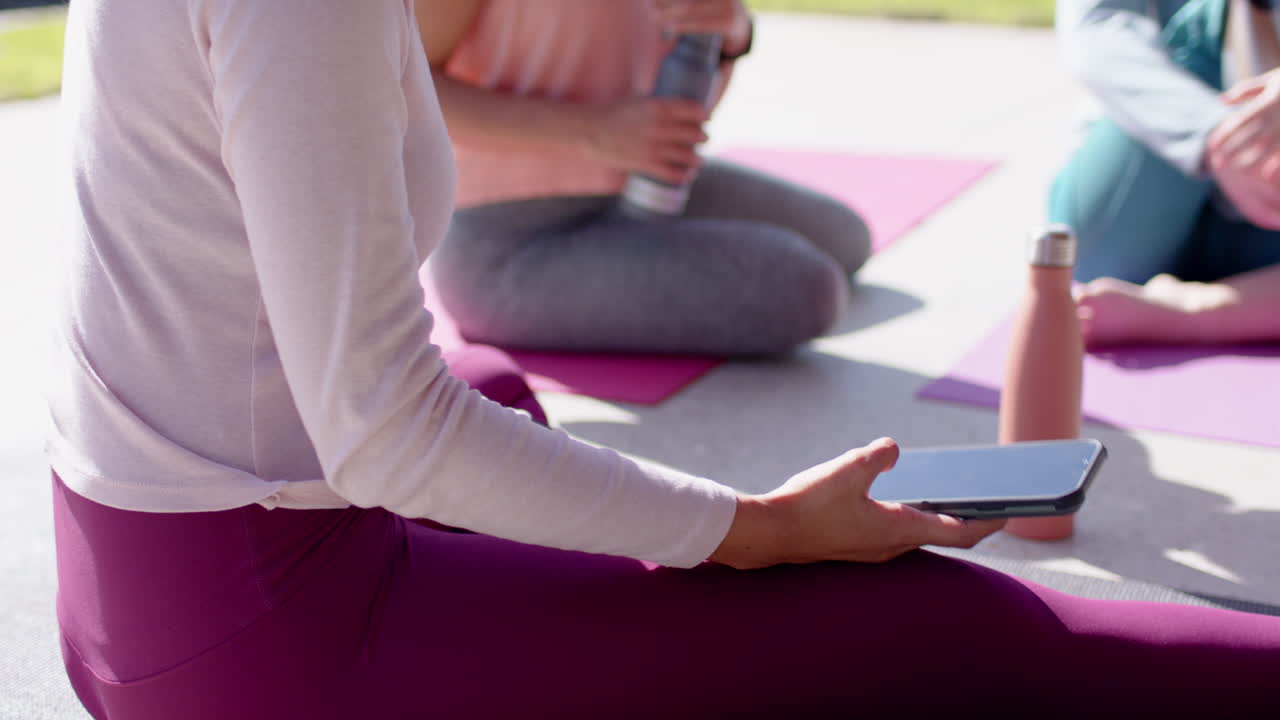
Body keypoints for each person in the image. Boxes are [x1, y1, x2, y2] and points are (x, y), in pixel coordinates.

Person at [48, 1, 1280, 718]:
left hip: (152, 555)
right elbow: (384, 427)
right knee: (934, 618)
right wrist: (755, 529)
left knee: (497, 395)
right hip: (253, 643)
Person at [424, 0, 872, 356]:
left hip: (644, 183)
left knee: (846, 238)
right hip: (510, 245)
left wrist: (733, 34)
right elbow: (408, 88)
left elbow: (685, 100)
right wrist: (596, 132)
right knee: (807, 290)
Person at [1053, 0, 1280, 346]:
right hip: (1158, 162)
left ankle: (1208, 308)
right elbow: (1096, 29)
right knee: (1098, 274)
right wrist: (1221, 137)